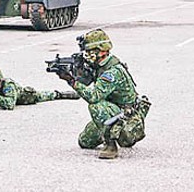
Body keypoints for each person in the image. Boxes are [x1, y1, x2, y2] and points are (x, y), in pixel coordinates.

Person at [55, 29, 150, 159]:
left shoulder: (112, 72)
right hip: (114, 112)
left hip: (128, 118)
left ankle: (111, 145)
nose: (87, 55)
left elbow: (93, 96)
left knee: (95, 106)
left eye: (90, 51)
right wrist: (77, 72)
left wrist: (71, 81)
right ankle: (114, 133)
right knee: (84, 141)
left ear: (102, 51)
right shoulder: (99, 66)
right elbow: (84, 84)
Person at [0, 66, 79, 110]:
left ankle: (60, 94)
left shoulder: (8, 85)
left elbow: (10, 104)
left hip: (23, 97)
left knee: (42, 95)